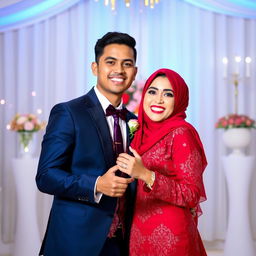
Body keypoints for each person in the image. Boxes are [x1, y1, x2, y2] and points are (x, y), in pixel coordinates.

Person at [36, 32, 138, 256]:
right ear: (95, 67)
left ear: (134, 72)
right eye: (110, 62)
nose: (119, 70)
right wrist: (96, 185)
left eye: (127, 64)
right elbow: (45, 176)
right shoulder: (69, 112)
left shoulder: (135, 121)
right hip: (76, 240)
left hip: (124, 242)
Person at [117, 68, 208, 255]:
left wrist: (146, 174)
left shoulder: (182, 133)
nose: (158, 100)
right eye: (152, 91)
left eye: (168, 94)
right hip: (139, 233)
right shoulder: (140, 132)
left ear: (179, 100)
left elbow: (192, 193)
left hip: (171, 237)